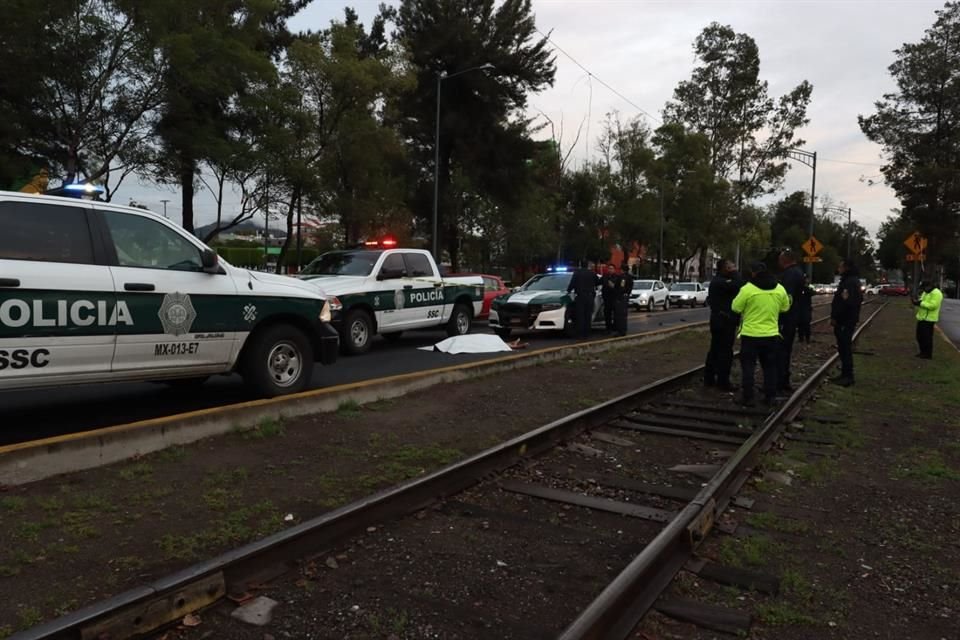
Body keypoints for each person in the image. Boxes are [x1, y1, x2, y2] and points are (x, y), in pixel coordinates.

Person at [731, 261, 790, 407]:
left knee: (748, 367)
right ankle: (770, 396)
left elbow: (735, 307)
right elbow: (785, 308)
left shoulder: (748, 289)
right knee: (770, 367)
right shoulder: (780, 289)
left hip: (750, 335)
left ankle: (748, 397)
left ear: (754, 274)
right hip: (771, 335)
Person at [704, 258, 743, 391]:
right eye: (731, 266)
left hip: (721, 320)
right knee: (724, 352)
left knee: (715, 350)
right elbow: (739, 284)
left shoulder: (720, 281)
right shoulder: (720, 282)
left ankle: (709, 379)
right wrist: (736, 273)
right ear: (725, 268)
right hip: (723, 321)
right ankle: (722, 381)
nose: (734, 268)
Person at [830, 259, 863, 386]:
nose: (839, 268)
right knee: (843, 348)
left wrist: (836, 317)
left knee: (845, 348)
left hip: (845, 320)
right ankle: (845, 374)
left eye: (841, 266)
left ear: (846, 268)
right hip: (846, 319)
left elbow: (845, 302)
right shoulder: (849, 281)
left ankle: (848, 376)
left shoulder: (849, 282)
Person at [777, 249, 805, 392]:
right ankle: (783, 378)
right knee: (786, 349)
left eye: (780, 260)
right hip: (793, 315)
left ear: (785, 260)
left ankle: (780, 380)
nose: (778, 262)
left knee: (781, 350)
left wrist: (781, 314)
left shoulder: (790, 275)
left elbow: (787, 296)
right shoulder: (799, 272)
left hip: (786, 317)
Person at [566, 261, 600, 339]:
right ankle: (587, 333)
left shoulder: (577, 273)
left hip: (580, 296)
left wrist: (568, 291)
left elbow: (572, 283)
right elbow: (598, 282)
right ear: (588, 265)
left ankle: (580, 334)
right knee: (588, 315)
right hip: (590, 296)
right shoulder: (592, 273)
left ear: (580, 265)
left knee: (580, 315)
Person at [911, 280, 943, 359]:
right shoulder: (926, 292)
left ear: (929, 286)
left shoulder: (936, 293)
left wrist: (920, 303)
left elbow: (933, 306)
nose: (924, 290)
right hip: (922, 318)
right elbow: (922, 301)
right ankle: (922, 352)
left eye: (924, 288)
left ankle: (927, 354)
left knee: (927, 338)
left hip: (929, 319)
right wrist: (916, 302)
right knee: (919, 337)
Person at [613, 262, 633, 336]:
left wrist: (617, 294)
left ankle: (621, 331)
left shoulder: (623, 277)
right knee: (623, 315)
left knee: (620, 315)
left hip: (621, 298)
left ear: (622, 270)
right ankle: (623, 330)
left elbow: (622, 287)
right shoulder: (630, 277)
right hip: (625, 297)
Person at [600, 263, 619, 333]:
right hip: (606, 298)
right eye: (609, 268)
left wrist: (613, 286)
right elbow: (599, 282)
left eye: (611, 269)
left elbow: (618, 288)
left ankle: (615, 327)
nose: (610, 270)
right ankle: (608, 328)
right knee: (607, 314)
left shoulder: (617, 277)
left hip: (614, 298)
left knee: (615, 314)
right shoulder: (605, 276)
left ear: (614, 270)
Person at [797, 275, 814, 343]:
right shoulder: (800, 288)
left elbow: (812, 293)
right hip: (801, 308)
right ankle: (801, 338)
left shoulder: (808, 288)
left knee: (806, 324)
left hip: (806, 308)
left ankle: (807, 338)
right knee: (801, 324)